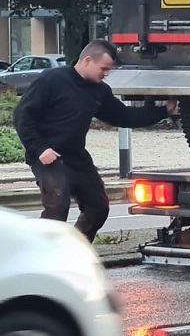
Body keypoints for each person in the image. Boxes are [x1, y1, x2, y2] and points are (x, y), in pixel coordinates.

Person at [12, 40, 177, 242]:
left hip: (76, 157)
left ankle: (77, 246)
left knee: (98, 207)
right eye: (104, 69)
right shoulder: (51, 80)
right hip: (48, 156)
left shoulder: (99, 91)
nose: (106, 74)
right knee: (58, 206)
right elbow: (22, 116)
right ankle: (40, 251)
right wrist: (39, 149)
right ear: (88, 61)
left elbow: (124, 116)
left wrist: (163, 111)